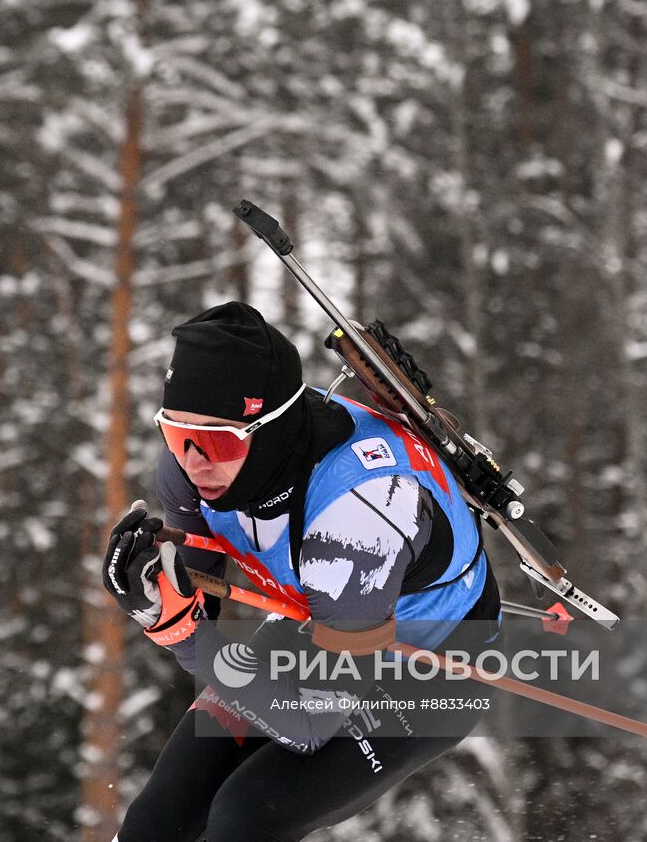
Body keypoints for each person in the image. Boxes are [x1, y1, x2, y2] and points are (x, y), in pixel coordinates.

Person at [102, 302, 502, 842]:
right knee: (155, 822)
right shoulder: (191, 466)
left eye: (215, 439)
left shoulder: (358, 517)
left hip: (432, 668)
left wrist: (182, 634)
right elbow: (198, 591)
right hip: (320, 622)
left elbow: (310, 722)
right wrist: (157, 588)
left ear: (268, 429)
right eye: (177, 433)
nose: (194, 461)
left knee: (244, 819)